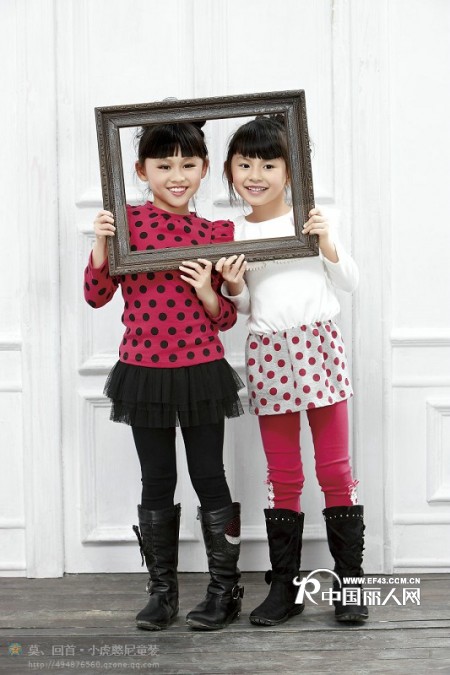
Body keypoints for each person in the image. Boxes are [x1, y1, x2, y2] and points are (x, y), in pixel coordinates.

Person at [84, 121, 244, 632]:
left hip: (201, 370)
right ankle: (162, 592)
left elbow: (225, 319)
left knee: (209, 475)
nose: (177, 175)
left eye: (188, 165)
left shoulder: (216, 234)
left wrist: (209, 292)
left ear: (204, 169)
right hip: (144, 371)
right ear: (141, 171)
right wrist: (101, 245)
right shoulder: (126, 224)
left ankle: (224, 590)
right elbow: (96, 296)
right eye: (164, 165)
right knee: (157, 479)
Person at [216, 115, 368, 625]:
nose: (255, 175)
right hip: (268, 352)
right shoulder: (232, 232)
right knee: (283, 474)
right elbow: (243, 306)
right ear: (230, 170)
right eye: (244, 164)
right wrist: (233, 284)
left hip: (318, 345)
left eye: (268, 164)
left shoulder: (312, 218)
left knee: (335, 469)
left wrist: (327, 241)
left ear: (290, 169)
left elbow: (348, 281)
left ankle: (351, 585)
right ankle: (286, 588)